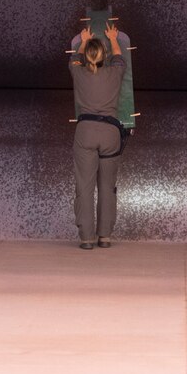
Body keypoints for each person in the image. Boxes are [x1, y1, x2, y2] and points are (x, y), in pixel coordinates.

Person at [70, 21, 126, 250]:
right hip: (111, 132)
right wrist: (113, 38)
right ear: (104, 56)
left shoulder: (78, 70)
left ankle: (86, 239)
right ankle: (105, 237)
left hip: (86, 131)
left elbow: (75, 59)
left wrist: (82, 43)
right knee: (107, 186)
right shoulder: (115, 71)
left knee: (84, 186)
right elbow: (121, 59)